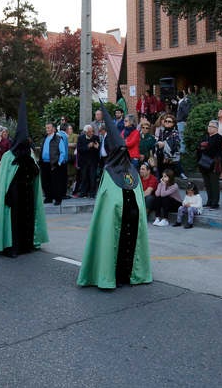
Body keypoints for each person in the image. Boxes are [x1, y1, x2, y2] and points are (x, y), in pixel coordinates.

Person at [77, 104, 152, 289]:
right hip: (118, 219)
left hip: (129, 218)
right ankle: (114, 276)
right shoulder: (111, 172)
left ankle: (128, 275)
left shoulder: (127, 171)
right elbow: (107, 201)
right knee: (114, 244)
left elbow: (137, 195)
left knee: (127, 245)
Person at [0, 94, 48, 257]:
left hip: (27, 194)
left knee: (27, 219)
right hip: (14, 194)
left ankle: (27, 244)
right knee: (15, 220)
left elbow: (36, 174)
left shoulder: (30, 156)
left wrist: (30, 165)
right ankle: (12, 245)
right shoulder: (8, 157)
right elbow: (6, 179)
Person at [197, 120, 222, 209]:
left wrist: (204, 147)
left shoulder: (219, 137)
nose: (209, 128)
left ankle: (215, 202)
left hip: (213, 163)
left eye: (212, 126)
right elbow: (199, 147)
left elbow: (212, 148)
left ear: (216, 128)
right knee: (207, 183)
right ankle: (209, 200)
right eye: (209, 126)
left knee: (214, 184)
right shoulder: (205, 136)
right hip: (203, 163)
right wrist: (203, 147)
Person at [40, 121, 68, 205]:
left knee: (56, 182)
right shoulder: (45, 138)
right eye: (46, 128)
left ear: (53, 128)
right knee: (45, 182)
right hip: (44, 163)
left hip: (54, 163)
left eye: (48, 127)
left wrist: (59, 162)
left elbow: (63, 152)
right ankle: (49, 197)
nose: (47, 129)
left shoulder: (58, 138)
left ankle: (57, 199)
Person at [155, 114, 187, 180]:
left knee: (168, 180)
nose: (167, 122)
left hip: (170, 160)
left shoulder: (175, 133)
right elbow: (158, 142)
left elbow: (175, 146)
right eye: (166, 121)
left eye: (169, 121)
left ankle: (181, 173)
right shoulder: (162, 132)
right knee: (161, 179)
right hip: (161, 159)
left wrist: (164, 144)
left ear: (173, 123)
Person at [76, 125, 100, 198]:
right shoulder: (80, 138)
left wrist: (97, 148)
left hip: (93, 161)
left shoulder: (96, 137)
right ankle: (83, 192)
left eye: (92, 131)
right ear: (85, 132)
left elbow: (99, 150)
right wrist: (87, 147)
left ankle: (92, 193)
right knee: (84, 177)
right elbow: (79, 150)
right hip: (84, 162)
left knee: (93, 177)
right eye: (90, 132)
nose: (91, 133)